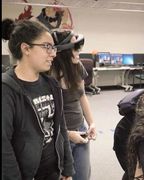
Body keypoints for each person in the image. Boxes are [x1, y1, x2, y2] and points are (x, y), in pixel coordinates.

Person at [2, 19, 74, 180]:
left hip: (53, 171)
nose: (54, 53)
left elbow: (61, 127)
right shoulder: (6, 89)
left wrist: (67, 169)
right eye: (47, 47)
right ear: (26, 48)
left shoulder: (51, 84)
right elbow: (3, 145)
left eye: (53, 47)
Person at [49, 30, 97, 180]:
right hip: (59, 136)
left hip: (80, 130)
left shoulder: (77, 67)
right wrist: (68, 134)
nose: (79, 52)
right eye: (75, 48)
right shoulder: (49, 74)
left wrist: (91, 123)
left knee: (82, 175)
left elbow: (82, 95)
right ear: (63, 52)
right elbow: (47, 115)